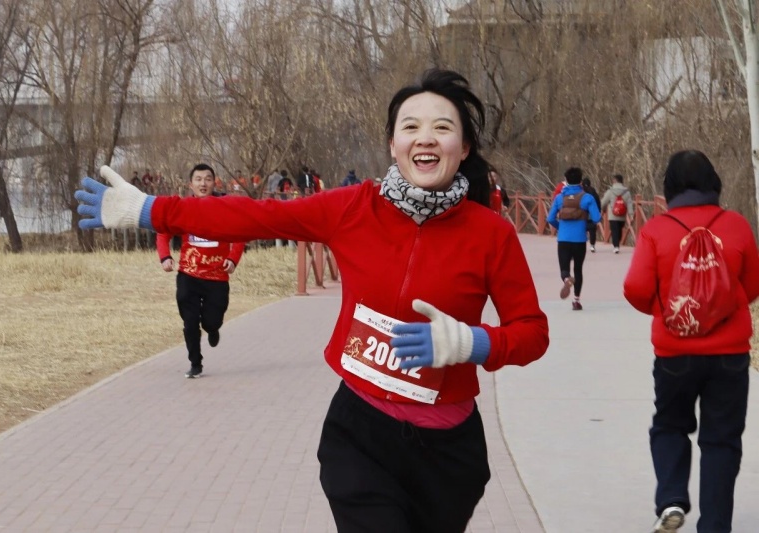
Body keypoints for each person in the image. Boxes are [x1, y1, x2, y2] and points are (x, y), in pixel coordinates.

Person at [76, 69, 549, 532]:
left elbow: (532, 332)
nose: (425, 138)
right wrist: (151, 210)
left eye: (442, 128)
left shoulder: (491, 234)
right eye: (411, 127)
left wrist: (473, 343)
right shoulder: (353, 208)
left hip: (448, 454)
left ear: (462, 148)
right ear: (393, 144)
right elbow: (254, 216)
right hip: (360, 437)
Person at [623, 150, 759, 533]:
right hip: (730, 355)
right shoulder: (736, 225)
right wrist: (722, 308)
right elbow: (753, 285)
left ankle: (671, 500)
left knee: (669, 426)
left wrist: (665, 311)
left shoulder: (656, 230)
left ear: (669, 187)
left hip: (674, 353)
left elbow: (635, 288)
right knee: (721, 440)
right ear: (714, 182)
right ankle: (714, 525)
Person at [155, 163, 246, 378]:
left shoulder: (224, 208)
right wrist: (165, 257)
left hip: (217, 276)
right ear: (191, 184)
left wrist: (232, 259)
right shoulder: (183, 209)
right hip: (189, 275)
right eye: (198, 179)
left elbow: (240, 234)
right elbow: (163, 233)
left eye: (207, 179)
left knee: (211, 321)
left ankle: (212, 329)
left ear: (214, 183)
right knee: (190, 322)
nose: (203, 183)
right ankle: (195, 363)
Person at [546, 167, 602, 310]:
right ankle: (576, 301)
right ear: (580, 181)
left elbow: (550, 218)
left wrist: (560, 227)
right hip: (580, 239)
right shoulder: (587, 198)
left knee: (564, 268)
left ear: (566, 180)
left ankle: (566, 279)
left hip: (563, 239)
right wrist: (587, 225)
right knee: (578, 269)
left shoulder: (559, 198)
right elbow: (597, 218)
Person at [600, 173, 634, 253]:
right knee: (619, 230)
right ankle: (617, 243)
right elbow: (629, 203)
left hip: (613, 215)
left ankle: (616, 246)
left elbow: (603, 202)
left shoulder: (610, 191)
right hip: (622, 215)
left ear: (615, 181)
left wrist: (603, 209)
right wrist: (631, 214)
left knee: (614, 230)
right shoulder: (626, 192)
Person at [581, 177, 602, 252]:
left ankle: (582, 244)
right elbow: (598, 202)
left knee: (582, 229)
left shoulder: (581, 192)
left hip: (583, 214)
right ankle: (592, 245)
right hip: (592, 213)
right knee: (592, 230)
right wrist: (598, 211)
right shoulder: (594, 192)